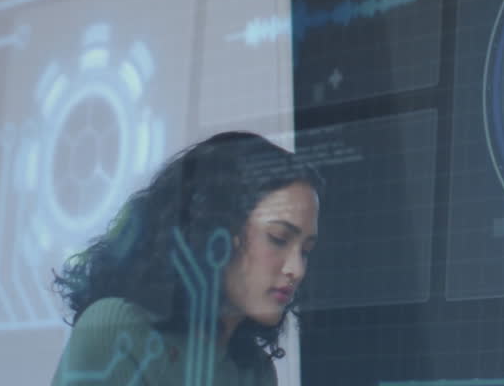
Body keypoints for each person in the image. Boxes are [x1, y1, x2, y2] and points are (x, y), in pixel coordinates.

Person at [51, 132, 323, 385]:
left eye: (306, 251)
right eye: (278, 238)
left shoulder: (255, 370)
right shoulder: (116, 327)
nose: (296, 270)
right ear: (215, 229)